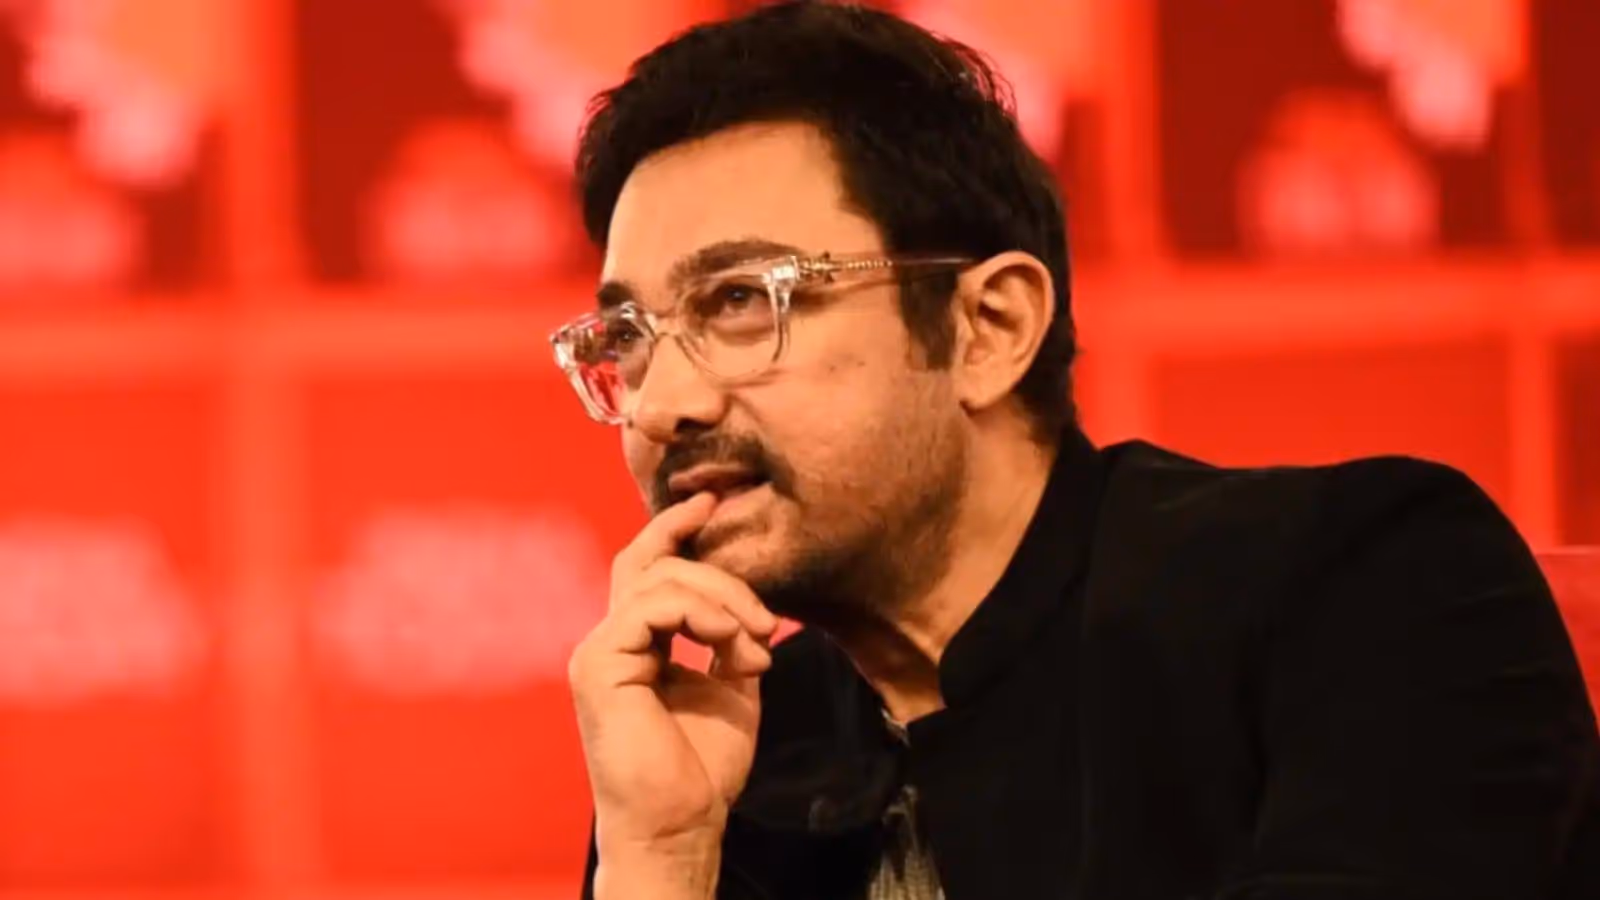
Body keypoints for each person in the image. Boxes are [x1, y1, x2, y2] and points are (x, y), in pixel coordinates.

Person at [551, 3, 1600, 898]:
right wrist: (659, 859)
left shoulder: (1366, 587)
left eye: (740, 300)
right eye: (626, 339)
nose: (662, 405)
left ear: (989, 328)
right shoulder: (733, 746)